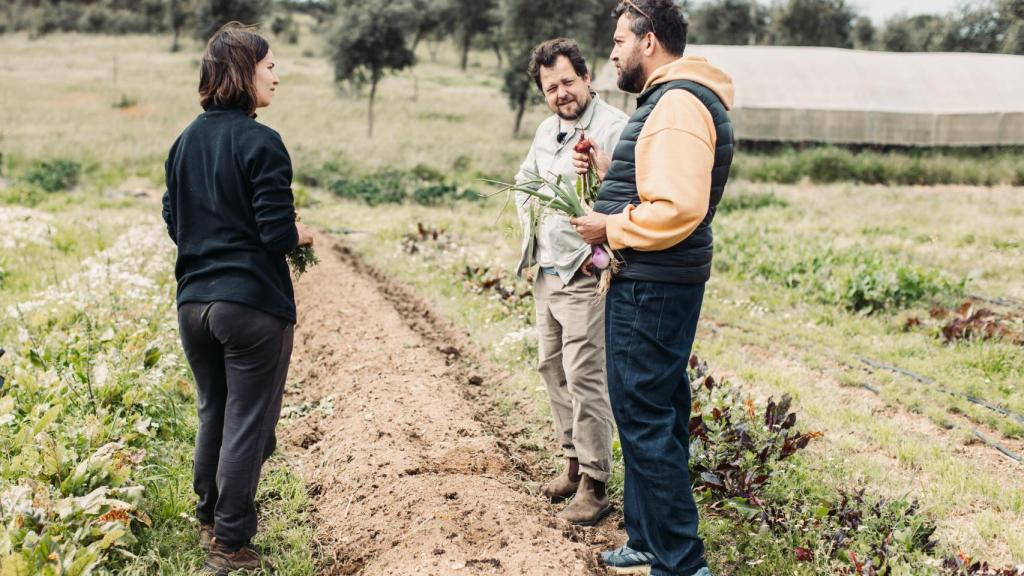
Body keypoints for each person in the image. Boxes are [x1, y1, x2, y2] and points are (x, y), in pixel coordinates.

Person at [569, 1, 734, 574]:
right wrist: (612, 166)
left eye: (619, 40)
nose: (611, 51)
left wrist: (608, 225)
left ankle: (682, 563)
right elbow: (661, 179)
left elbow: (679, 206)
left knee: (643, 414)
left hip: (654, 284)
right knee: (653, 409)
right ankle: (646, 537)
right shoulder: (670, 102)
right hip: (655, 279)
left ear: (650, 41)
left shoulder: (678, 104)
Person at [161, 22, 313, 575]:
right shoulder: (261, 141)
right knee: (248, 421)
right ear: (243, 73)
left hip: (193, 304)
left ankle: (208, 516)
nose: (278, 75)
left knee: (214, 411)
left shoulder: (184, 142)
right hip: (250, 306)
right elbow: (275, 233)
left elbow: (173, 220)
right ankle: (231, 544)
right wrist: (302, 233)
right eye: (270, 65)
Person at [514, 38, 627, 526]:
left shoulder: (616, 128)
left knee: (585, 376)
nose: (560, 93)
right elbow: (526, 182)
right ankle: (572, 461)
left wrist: (596, 251)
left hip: (586, 274)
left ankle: (596, 484)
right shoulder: (545, 130)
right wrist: (534, 246)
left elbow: (630, 197)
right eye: (549, 87)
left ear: (586, 77)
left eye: (566, 81)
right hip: (549, 270)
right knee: (551, 368)